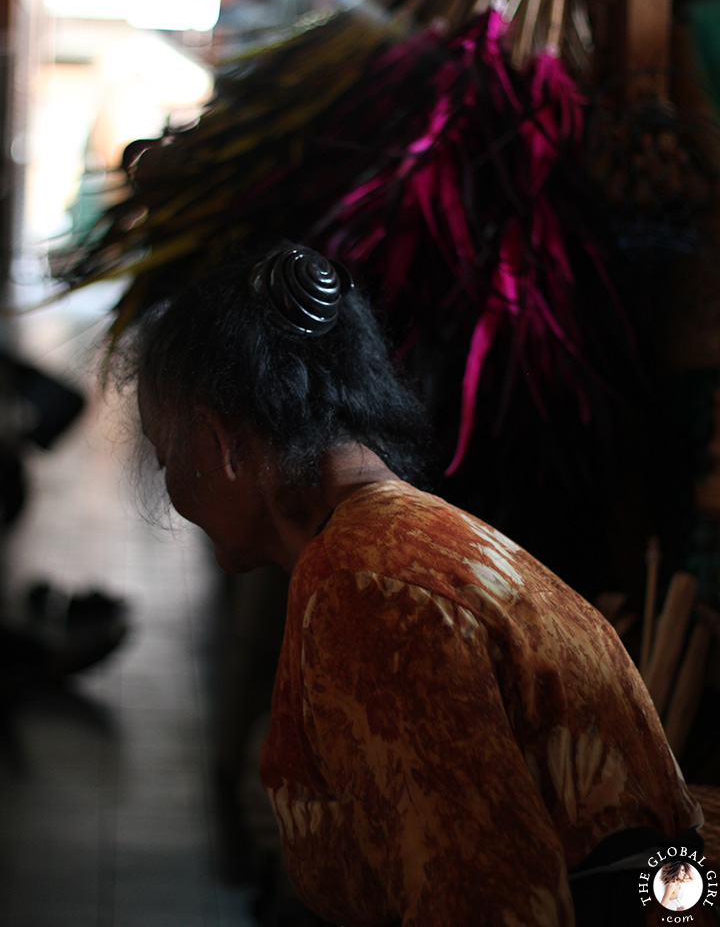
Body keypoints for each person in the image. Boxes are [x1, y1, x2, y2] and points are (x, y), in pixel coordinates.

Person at [125, 245, 709, 927]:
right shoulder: (406, 536)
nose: (170, 491)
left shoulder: (364, 588)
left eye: (167, 455)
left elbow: (487, 905)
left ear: (217, 438)